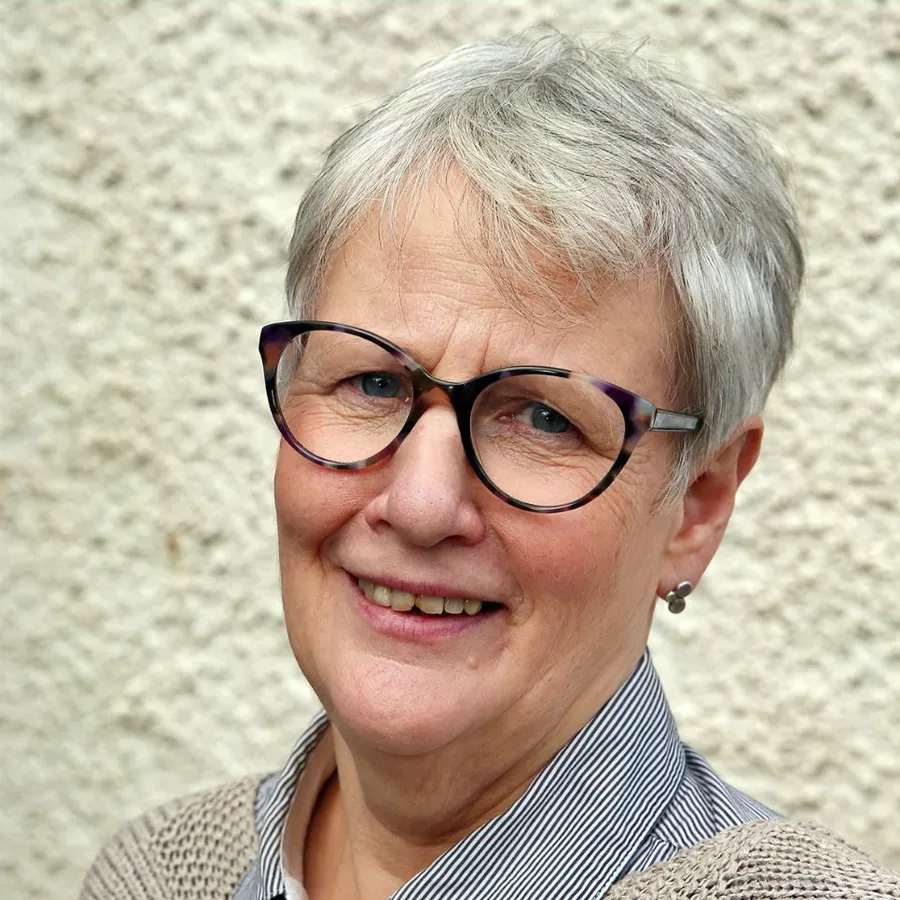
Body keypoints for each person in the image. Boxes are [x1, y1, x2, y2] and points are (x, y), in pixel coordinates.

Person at [80, 32, 898, 900]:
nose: (421, 504)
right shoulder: (160, 874)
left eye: (545, 418)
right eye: (372, 382)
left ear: (697, 503)